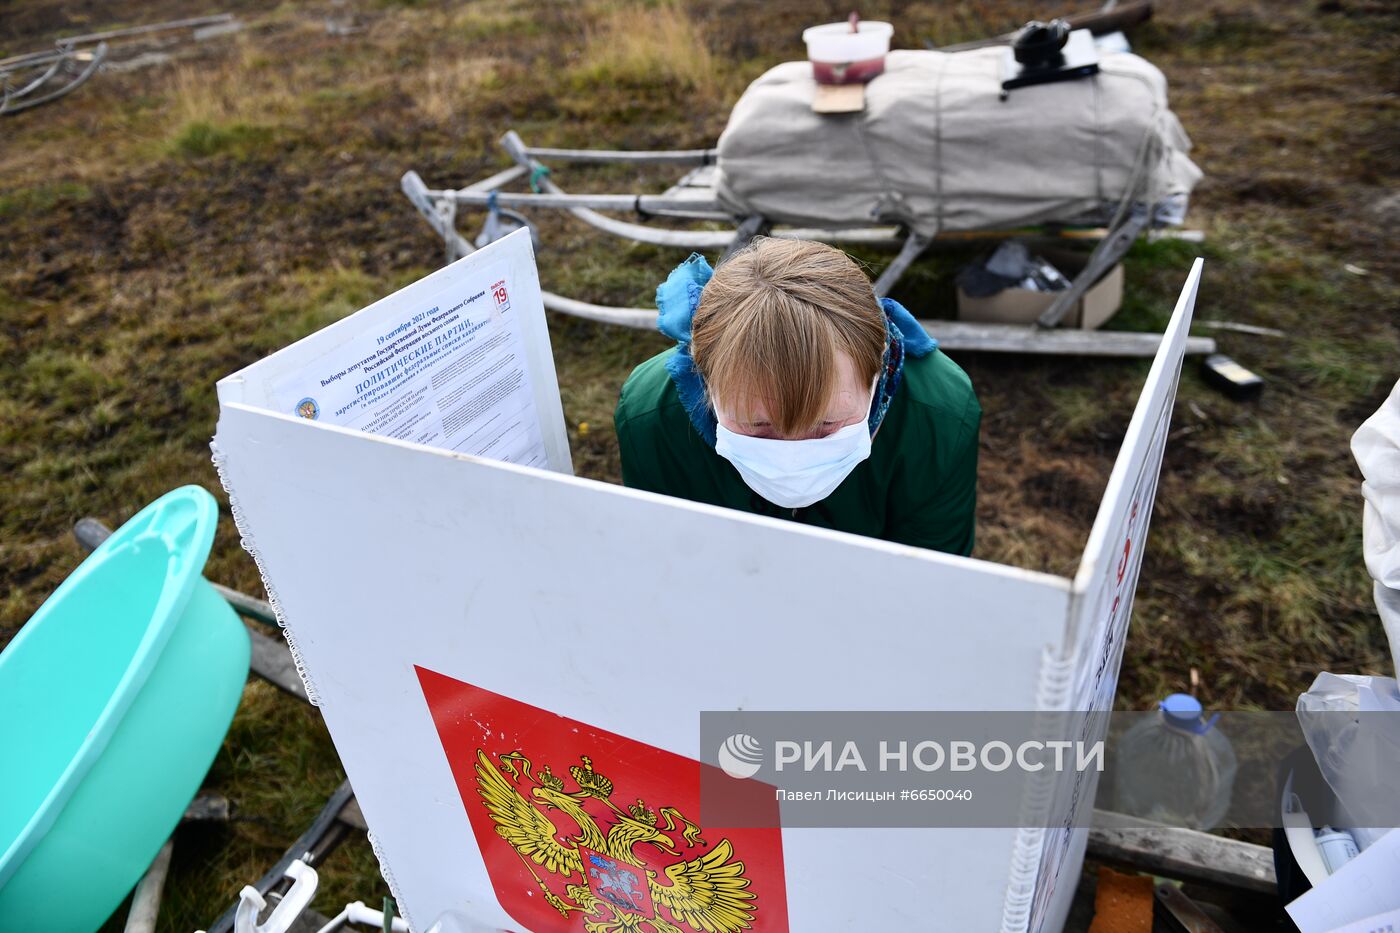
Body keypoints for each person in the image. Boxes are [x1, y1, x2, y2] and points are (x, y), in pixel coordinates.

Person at [613, 237, 981, 556]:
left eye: (826, 425)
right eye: (758, 425)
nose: (792, 459)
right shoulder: (652, 416)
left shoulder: (939, 416)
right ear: (703, 375)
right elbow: (668, 563)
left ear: (878, 366)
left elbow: (930, 580)